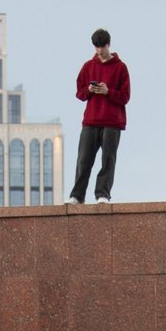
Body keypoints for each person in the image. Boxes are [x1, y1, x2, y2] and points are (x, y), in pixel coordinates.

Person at [68, 29, 129, 204]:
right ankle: (77, 196)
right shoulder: (88, 66)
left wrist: (108, 91)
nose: (99, 51)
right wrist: (89, 90)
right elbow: (79, 93)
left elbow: (125, 96)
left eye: (102, 47)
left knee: (108, 160)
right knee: (84, 159)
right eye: (96, 47)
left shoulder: (120, 67)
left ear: (108, 45)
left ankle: (103, 194)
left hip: (112, 122)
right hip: (91, 121)